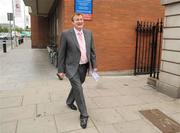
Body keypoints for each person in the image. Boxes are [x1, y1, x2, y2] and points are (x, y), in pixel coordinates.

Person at [57, 13, 97, 129]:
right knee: (79, 89)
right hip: (71, 67)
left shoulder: (89, 33)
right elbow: (61, 53)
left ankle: (69, 101)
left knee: (78, 85)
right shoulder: (66, 34)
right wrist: (61, 70)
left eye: (81, 19)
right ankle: (84, 115)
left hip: (84, 67)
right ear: (73, 22)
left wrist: (94, 66)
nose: (79, 21)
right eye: (77, 20)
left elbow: (92, 51)